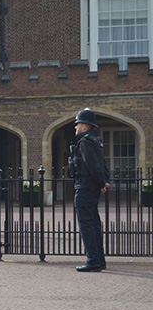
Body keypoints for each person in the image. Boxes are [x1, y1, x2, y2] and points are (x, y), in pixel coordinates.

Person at [70, 108, 110, 272]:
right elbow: (103, 164)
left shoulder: (85, 142)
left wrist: (101, 182)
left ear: (84, 126)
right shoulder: (96, 141)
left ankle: (93, 260)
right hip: (93, 188)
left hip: (85, 188)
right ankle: (99, 260)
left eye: (77, 124)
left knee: (87, 226)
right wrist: (104, 182)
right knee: (94, 225)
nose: (76, 128)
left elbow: (93, 165)